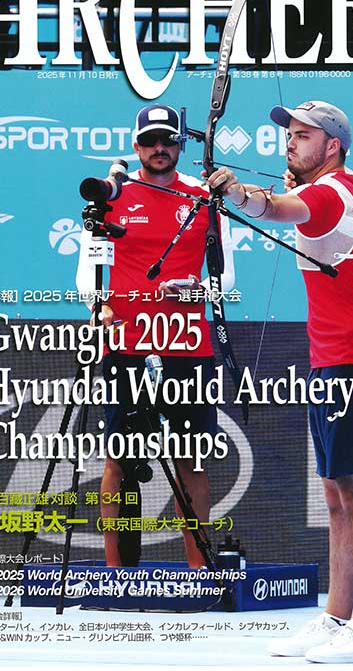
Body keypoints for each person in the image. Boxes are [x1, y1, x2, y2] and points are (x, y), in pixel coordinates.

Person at [206, 100, 353, 663]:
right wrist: (296, 188)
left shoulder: (326, 195)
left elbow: (277, 207)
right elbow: (318, 207)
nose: (290, 141)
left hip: (352, 360)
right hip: (337, 357)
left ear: (333, 145)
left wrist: (237, 193)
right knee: (336, 494)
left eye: (304, 135)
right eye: (289, 133)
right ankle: (336, 615)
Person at [76, 103, 234, 568]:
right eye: (150, 141)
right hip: (126, 343)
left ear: (181, 145)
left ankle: (200, 574)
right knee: (119, 459)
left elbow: (225, 278)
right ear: (136, 146)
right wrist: (99, 307)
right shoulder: (110, 194)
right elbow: (88, 272)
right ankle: (116, 574)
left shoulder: (204, 198)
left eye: (168, 140)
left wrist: (194, 290)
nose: (159, 148)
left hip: (187, 344)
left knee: (192, 458)